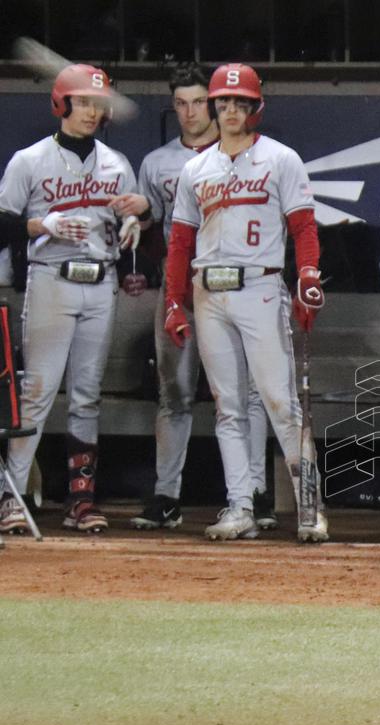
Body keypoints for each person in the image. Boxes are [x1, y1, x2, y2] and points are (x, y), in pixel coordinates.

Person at [163, 62, 327, 542]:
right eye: (224, 102)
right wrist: (175, 301)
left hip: (259, 285)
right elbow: (179, 242)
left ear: (256, 107)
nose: (231, 110)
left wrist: (308, 276)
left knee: (280, 402)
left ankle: (310, 507)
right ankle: (240, 506)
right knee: (228, 406)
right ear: (214, 107)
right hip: (208, 291)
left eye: (240, 102)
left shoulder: (280, 159)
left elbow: (303, 227)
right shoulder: (196, 168)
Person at [0, 64, 150, 534]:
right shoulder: (31, 159)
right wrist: (40, 225)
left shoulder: (115, 162)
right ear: (62, 103)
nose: (90, 112)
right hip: (51, 279)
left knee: (87, 395)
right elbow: (2, 223)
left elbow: (129, 218)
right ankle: (12, 495)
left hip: (100, 281)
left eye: (97, 104)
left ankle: (80, 500)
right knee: (38, 392)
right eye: (82, 101)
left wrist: (132, 226)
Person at [130, 63, 275, 532]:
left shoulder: (249, 154)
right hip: (185, 286)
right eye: (181, 103)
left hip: (236, 285)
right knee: (174, 393)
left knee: (247, 395)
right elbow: (161, 238)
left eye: (198, 101)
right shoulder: (158, 163)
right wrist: (143, 225)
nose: (191, 112)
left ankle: (255, 492)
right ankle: (166, 494)